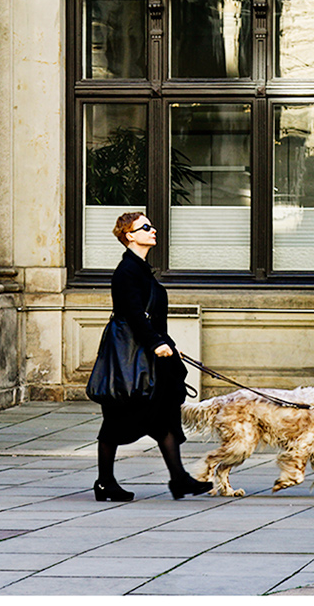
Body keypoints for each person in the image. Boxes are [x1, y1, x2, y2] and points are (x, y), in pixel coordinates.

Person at [93, 212, 213, 501]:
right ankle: (105, 482)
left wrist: (168, 343)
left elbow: (152, 317)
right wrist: (156, 343)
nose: (153, 230)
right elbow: (133, 315)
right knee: (116, 422)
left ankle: (179, 479)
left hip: (149, 357)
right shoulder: (126, 272)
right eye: (145, 227)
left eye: (151, 225)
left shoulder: (142, 270)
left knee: (165, 417)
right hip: (132, 362)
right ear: (129, 235)